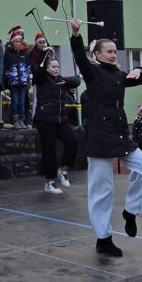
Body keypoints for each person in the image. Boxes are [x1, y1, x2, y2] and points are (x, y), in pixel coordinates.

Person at [70, 18, 142, 257]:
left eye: (115, 51)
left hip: (118, 131)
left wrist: (141, 70)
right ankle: (103, 238)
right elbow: (79, 57)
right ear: (97, 54)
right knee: (101, 189)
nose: (114, 54)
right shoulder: (92, 72)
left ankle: (130, 211)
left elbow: (138, 78)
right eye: (109, 51)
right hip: (98, 133)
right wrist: (76, 35)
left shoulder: (118, 74)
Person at [31, 47, 82, 194]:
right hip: (44, 120)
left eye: (57, 67)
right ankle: (50, 182)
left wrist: (65, 81)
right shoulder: (41, 78)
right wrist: (43, 53)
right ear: (47, 68)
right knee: (50, 150)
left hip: (60, 119)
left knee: (73, 141)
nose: (56, 69)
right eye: (53, 67)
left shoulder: (60, 79)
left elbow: (77, 81)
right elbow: (38, 69)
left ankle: (63, 170)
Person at [4, 26, 31, 128]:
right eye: (16, 41)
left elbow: (28, 66)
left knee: (22, 102)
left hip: (23, 82)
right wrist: (9, 76)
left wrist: (27, 75)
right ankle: (15, 120)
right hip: (14, 82)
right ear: (12, 42)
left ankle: (21, 120)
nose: (18, 43)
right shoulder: (8, 53)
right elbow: (6, 67)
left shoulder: (25, 52)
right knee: (15, 102)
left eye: (19, 41)